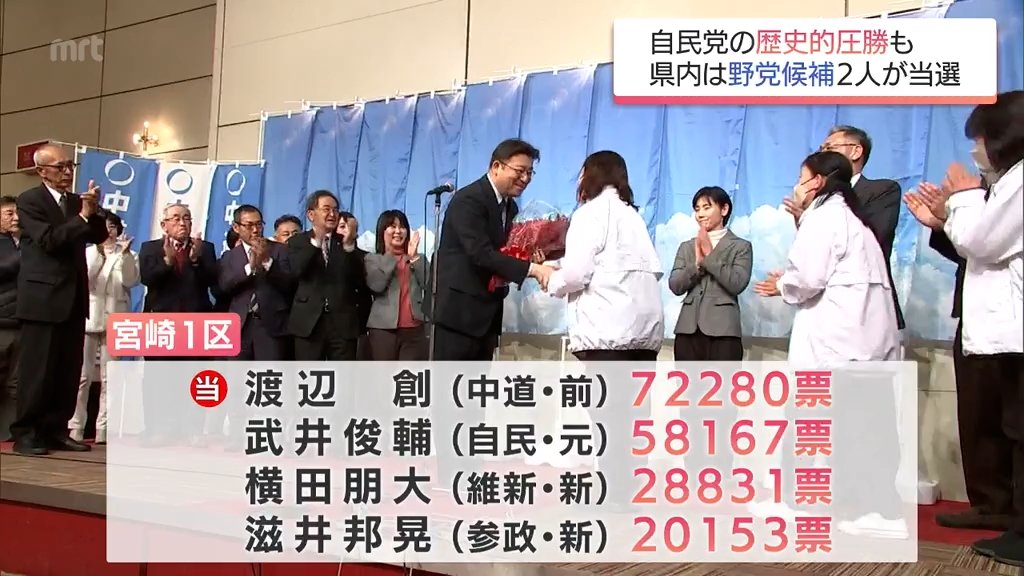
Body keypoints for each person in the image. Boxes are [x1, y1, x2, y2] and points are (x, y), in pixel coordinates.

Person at [754, 150, 905, 538]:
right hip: (861, 344)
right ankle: (871, 509)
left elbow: (806, 279)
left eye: (801, 177)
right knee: (862, 429)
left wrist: (784, 283)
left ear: (817, 182)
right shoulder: (853, 218)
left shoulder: (823, 218)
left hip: (836, 346)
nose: (797, 185)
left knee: (820, 426)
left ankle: (807, 504)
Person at [917, 91, 1023, 567]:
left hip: (1013, 327)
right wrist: (945, 220)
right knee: (1006, 427)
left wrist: (962, 198)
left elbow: (982, 240)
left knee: (1018, 429)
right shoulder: (1005, 183)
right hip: (999, 330)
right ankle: (1009, 517)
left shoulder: (1018, 180)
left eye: (979, 138)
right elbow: (974, 245)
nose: (974, 150)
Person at [906, 184, 1014, 532]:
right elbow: (970, 251)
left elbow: (989, 246)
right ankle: (990, 503)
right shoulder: (989, 190)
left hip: (1008, 319)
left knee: (1008, 419)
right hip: (973, 317)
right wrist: (943, 225)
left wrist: (957, 213)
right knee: (976, 414)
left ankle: (1005, 506)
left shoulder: (1011, 191)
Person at [10, 144, 108, 455]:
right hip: (42, 298)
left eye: (70, 166)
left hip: (73, 296)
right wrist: (82, 216)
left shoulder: (77, 202)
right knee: (37, 372)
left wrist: (94, 211)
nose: (67, 172)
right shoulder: (30, 200)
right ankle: (26, 432)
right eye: (60, 167)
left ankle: (56, 429)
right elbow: (49, 241)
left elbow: (97, 236)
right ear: (42, 171)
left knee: (67, 370)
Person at [431, 138, 552, 361]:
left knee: (478, 382)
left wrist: (528, 256)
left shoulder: (510, 207)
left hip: (487, 317)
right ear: (497, 166)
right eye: (520, 171)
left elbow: (503, 253)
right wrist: (532, 269)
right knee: (451, 382)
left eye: (530, 173)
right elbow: (481, 254)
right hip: (459, 317)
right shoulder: (468, 200)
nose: (525, 178)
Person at [786, 126, 905, 337]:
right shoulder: (817, 205)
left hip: (865, 311)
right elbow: (814, 263)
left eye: (830, 148)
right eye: (821, 149)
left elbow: (875, 236)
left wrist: (816, 214)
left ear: (856, 151)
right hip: (824, 312)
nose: (823, 154)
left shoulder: (882, 190)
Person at [138, 203, 218, 445]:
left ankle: (193, 430)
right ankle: (158, 429)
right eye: (175, 218)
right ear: (164, 225)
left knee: (194, 377)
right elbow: (148, 279)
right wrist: (167, 262)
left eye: (186, 218)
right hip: (161, 323)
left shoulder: (204, 248)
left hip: (195, 323)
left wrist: (195, 261)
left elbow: (213, 281)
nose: (182, 223)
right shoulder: (150, 248)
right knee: (158, 380)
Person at [68, 213, 138, 445]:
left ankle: (104, 428)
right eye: (105, 227)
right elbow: (87, 279)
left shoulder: (129, 253)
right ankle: (76, 426)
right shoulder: (88, 252)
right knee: (83, 376)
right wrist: (99, 254)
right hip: (90, 317)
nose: (109, 231)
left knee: (111, 377)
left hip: (116, 320)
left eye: (113, 227)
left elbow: (130, 280)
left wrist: (125, 255)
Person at [669, 186, 753, 361]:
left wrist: (709, 256)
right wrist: (696, 266)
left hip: (724, 332)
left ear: (724, 209)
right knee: (686, 379)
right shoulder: (687, 246)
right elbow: (675, 285)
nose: (700, 214)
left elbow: (737, 283)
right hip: (688, 330)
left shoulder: (741, 246)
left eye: (706, 208)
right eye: (697, 209)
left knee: (723, 379)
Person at [287, 190, 366, 361]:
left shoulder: (344, 241)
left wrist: (349, 246)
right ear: (311, 214)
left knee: (344, 374)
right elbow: (296, 270)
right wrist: (317, 242)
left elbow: (358, 279)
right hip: (308, 323)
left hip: (342, 324)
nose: (332, 214)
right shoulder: (297, 242)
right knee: (308, 374)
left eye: (335, 210)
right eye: (326, 209)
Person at [219, 205, 293, 361]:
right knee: (236, 373)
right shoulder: (230, 256)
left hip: (271, 326)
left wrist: (267, 262)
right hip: (239, 327)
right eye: (249, 225)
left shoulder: (280, 250)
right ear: (236, 227)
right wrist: (249, 268)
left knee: (269, 373)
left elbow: (289, 284)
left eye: (259, 224)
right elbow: (224, 287)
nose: (255, 230)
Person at [364, 210, 428, 360]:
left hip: (415, 329)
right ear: (382, 231)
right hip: (383, 329)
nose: (398, 231)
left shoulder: (417, 258)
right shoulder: (372, 259)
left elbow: (429, 284)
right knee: (384, 374)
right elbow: (376, 285)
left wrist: (414, 257)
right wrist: (390, 254)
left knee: (410, 374)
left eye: (402, 227)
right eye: (392, 226)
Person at [338, 211, 373, 360]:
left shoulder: (364, 257)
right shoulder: (324, 255)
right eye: (341, 226)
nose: (346, 230)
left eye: (350, 226)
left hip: (356, 324)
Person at [0, 196, 21, 442]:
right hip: (2, 320)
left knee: (16, 380)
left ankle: (9, 430)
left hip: (22, 319)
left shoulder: (22, 242)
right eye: (9, 213)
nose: (16, 218)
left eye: (18, 213)